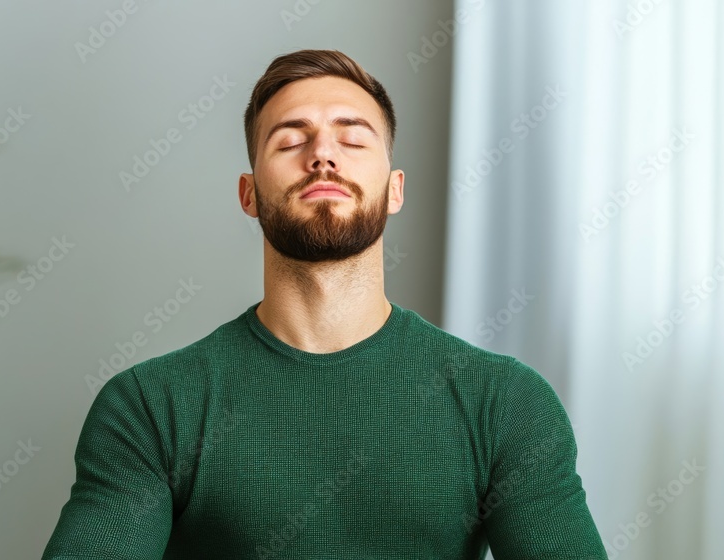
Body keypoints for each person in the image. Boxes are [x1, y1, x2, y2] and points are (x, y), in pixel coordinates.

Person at [41, 49, 608, 559]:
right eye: (290, 140)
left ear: (395, 189)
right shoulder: (149, 407)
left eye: (353, 139)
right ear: (249, 195)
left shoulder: (505, 403)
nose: (322, 155)